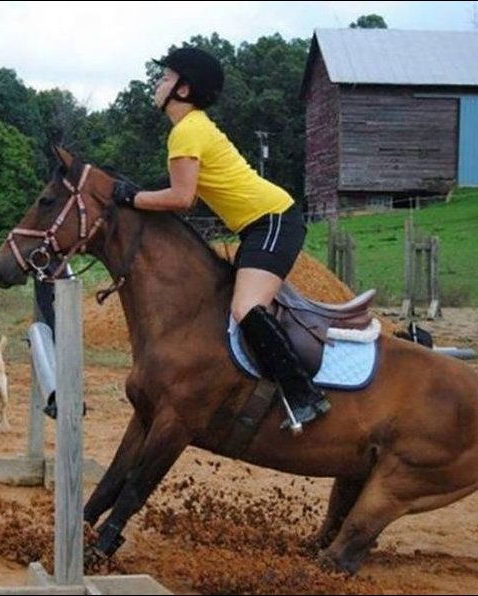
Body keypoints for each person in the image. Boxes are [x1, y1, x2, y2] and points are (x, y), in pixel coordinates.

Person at [111, 46, 330, 431]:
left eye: (165, 77)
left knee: (246, 308)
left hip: (273, 221)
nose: (158, 84)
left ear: (183, 89)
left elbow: (183, 198)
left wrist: (132, 197)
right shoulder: (191, 129)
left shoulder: (186, 132)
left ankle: (303, 396)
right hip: (261, 224)